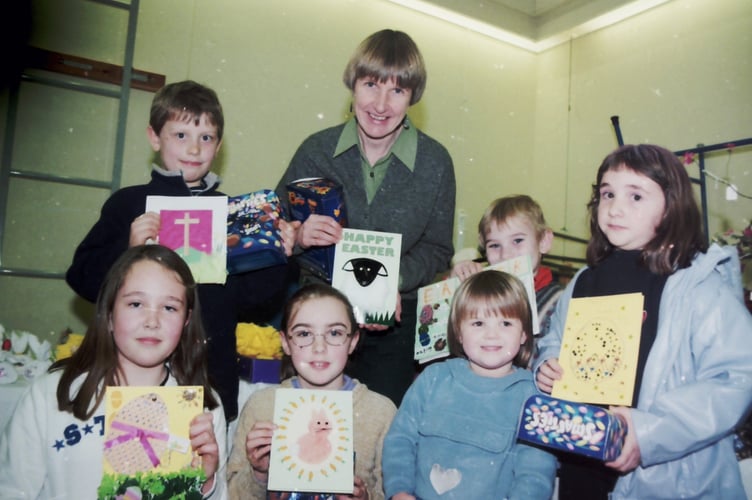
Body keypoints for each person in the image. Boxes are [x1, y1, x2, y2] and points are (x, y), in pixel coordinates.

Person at [65, 80, 298, 421]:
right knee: (130, 465)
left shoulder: (230, 213)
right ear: (154, 137)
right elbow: (81, 279)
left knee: (202, 469)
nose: (194, 149)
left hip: (210, 377)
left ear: (218, 146)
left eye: (206, 137)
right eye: (181, 135)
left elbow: (253, 301)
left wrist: (278, 256)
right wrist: (126, 251)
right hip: (132, 379)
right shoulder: (128, 204)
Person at [534, 144, 752, 499]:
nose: (615, 207)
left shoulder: (697, 286)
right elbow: (553, 340)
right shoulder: (584, 281)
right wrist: (546, 364)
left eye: (636, 196)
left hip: (664, 473)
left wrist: (647, 434)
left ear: (671, 208)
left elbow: (735, 379)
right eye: (607, 193)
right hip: (582, 462)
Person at [275, 29, 456, 407]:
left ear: (413, 96)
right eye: (371, 84)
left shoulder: (435, 163)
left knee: (379, 439)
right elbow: (275, 230)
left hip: (394, 327)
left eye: (397, 90)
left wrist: (395, 281)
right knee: (312, 433)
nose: (381, 103)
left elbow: (438, 249)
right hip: (318, 326)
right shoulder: (315, 151)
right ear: (353, 85)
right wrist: (300, 235)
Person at [0, 245, 228, 498]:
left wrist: (205, 482)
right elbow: (12, 489)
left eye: (169, 308)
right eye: (136, 303)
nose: (152, 321)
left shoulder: (205, 408)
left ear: (186, 321)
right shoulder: (50, 394)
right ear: (108, 314)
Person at [383, 270, 557, 499]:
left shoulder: (533, 398)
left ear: (524, 333)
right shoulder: (433, 379)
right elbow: (400, 440)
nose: (491, 334)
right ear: (459, 332)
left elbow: (536, 473)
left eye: (505, 323)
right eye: (478, 323)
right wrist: (399, 490)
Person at [227, 283, 397, 500]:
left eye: (335, 333)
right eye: (304, 333)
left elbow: (394, 491)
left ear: (353, 342)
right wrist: (259, 474)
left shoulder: (381, 412)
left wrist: (367, 497)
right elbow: (231, 494)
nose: (319, 347)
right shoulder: (262, 405)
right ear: (285, 343)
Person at [451, 194, 564, 339]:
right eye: (495, 245)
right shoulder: (481, 290)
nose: (505, 255)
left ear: (543, 241)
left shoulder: (559, 299)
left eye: (517, 240)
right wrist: (455, 287)